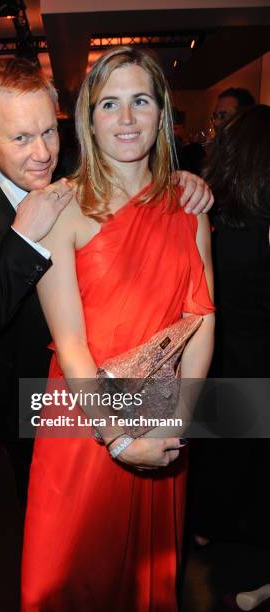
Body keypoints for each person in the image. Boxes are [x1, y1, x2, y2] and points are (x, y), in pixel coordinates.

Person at [0, 57, 213, 503]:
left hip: (116, 384)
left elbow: (134, 174)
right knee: (54, 512)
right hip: (31, 396)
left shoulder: (77, 167)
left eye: (48, 132)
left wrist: (181, 181)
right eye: (21, 138)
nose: (42, 153)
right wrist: (22, 236)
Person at [21, 46, 215, 611]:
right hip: (84, 418)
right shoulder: (60, 208)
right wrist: (119, 436)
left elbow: (201, 315)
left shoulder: (188, 203)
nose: (126, 119)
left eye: (141, 101)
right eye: (110, 103)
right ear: (88, 116)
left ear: (161, 113)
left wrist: (180, 416)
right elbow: (71, 342)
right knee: (68, 575)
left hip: (161, 407)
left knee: (145, 574)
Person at [190, 106, 270, 601]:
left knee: (220, 456)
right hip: (259, 358)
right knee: (254, 459)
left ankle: (205, 526)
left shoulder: (209, 218)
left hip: (219, 354)